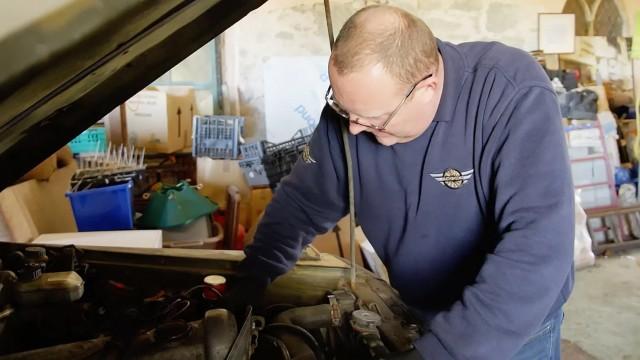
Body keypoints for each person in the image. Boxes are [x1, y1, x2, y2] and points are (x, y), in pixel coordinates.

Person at [235, 4, 574, 359]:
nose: (353, 128)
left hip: (510, 330)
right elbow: (301, 204)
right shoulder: (353, 116)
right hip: (414, 314)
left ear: (427, 87)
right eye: (343, 109)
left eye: (373, 118)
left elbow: (538, 245)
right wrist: (252, 279)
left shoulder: (508, 91)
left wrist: (440, 352)